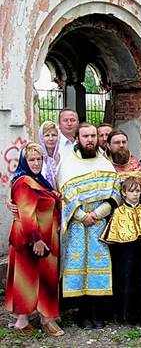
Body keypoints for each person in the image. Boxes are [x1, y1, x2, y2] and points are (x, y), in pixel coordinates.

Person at [56, 123, 120, 328]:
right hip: (77, 224)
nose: (90, 139)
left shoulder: (105, 163)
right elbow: (64, 194)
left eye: (93, 135)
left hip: (99, 222)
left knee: (99, 264)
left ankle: (97, 313)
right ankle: (82, 313)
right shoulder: (67, 164)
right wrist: (82, 215)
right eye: (86, 136)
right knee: (78, 264)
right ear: (77, 138)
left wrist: (97, 213)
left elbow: (115, 193)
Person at [5, 143, 63, 336]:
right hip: (31, 238)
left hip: (44, 236)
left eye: (39, 159)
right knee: (28, 278)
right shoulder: (24, 182)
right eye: (32, 159)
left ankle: (28, 320)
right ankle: (37, 319)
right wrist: (36, 239)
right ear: (24, 161)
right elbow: (27, 213)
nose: (36, 163)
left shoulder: (38, 180)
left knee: (33, 277)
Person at [101, 177, 141, 327]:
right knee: (128, 281)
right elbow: (113, 239)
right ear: (123, 193)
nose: (135, 194)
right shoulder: (118, 212)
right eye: (131, 191)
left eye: (138, 191)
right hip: (126, 254)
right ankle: (128, 315)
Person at [107, 129, 141, 208]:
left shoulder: (135, 164)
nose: (121, 145)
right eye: (117, 143)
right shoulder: (105, 166)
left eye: (124, 142)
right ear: (108, 146)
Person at [38, 121, 60, 189]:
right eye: (47, 135)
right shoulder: (37, 157)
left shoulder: (63, 157)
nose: (51, 139)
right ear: (41, 137)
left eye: (54, 135)